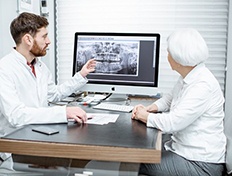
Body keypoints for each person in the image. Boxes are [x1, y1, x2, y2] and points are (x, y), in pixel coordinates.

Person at [0, 12, 96, 171]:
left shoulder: (39, 66)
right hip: (15, 148)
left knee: (81, 160)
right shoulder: (4, 69)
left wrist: (81, 75)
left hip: (39, 138)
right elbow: (16, 116)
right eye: (44, 36)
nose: (48, 41)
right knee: (74, 163)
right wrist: (63, 113)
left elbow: (54, 94)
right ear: (28, 39)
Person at [132, 28, 226, 176]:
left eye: (169, 53)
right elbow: (170, 98)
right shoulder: (190, 75)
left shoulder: (203, 85)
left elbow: (173, 122)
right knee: (141, 149)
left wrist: (144, 116)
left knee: (132, 161)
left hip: (200, 164)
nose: (167, 56)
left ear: (179, 58)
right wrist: (152, 108)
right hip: (184, 150)